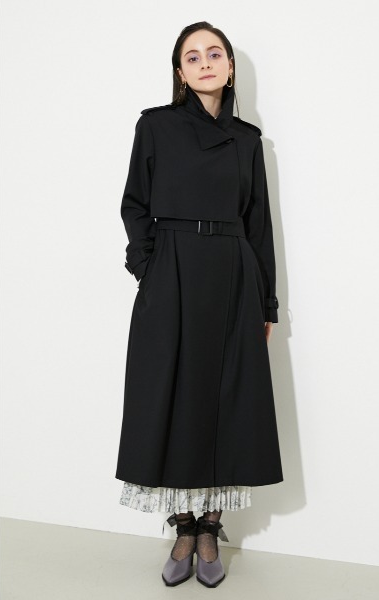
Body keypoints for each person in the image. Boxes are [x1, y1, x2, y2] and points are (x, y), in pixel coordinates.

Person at [114, 21, 284, 588]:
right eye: (193, 56)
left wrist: (266, 302)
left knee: (225, 400)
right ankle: (182, 527)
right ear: (180, 72)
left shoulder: (248, 140)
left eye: (215, 54)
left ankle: (210, 528)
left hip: (233, 275)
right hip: (174, 274)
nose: (205, 62)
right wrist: (150, 267)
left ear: (230, 68)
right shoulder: (156, 126)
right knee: (170, 394)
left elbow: (258, 225)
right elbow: (134, 203)